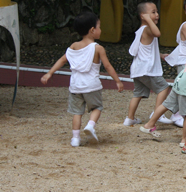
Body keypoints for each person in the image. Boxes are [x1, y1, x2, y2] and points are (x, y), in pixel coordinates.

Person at [41, 12, 124, 147]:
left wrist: (50, 73)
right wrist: (118, 81)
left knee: (77, 113)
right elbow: (108, 66)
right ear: (92, 30)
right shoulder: (98, 48)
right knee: (97, 107)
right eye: (99, 27)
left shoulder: (74, 46)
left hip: (75, 86)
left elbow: (62, 60)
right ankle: (90, 125)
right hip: (92, 85)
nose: (100, 30)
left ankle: (75, 138)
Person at [125, 2, 172, 127]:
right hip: (147, 69)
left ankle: (130, 118)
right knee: (164, 88)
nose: (157, 15)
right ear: (143, 16)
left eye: (157, 12)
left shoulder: (141, 30)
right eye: (153, 12)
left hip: (138, 69)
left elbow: (145, 49)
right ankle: (157, 113)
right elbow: (158, 33)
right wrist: (149, 21)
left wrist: (160, 55)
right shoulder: (147, 29)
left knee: (138, 93)